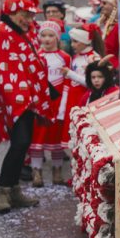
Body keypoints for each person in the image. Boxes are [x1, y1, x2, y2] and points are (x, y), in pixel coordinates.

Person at [0, 0, 50, 213]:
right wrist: (18, 99)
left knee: (23, 143)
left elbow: (29, 63)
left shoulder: (20, 33)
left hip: (27, 99)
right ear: (11, 12)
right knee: (19, 143)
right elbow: (1, 71)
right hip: (14, 101)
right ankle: (2, 191)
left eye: (30, 15)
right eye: (25, 15)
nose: (29, 20)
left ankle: (14, 190)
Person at [28, 21, 72, 187]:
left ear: (57, 37)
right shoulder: (35, 57)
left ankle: (57, 172)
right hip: (40, 105)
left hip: (57, 104)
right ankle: (37, 172)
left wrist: (64, 106)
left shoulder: (65, 57)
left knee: (56, 140)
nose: (47, 39)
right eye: (43, 35)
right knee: (37, 139)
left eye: (51, 35)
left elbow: (68, 81)